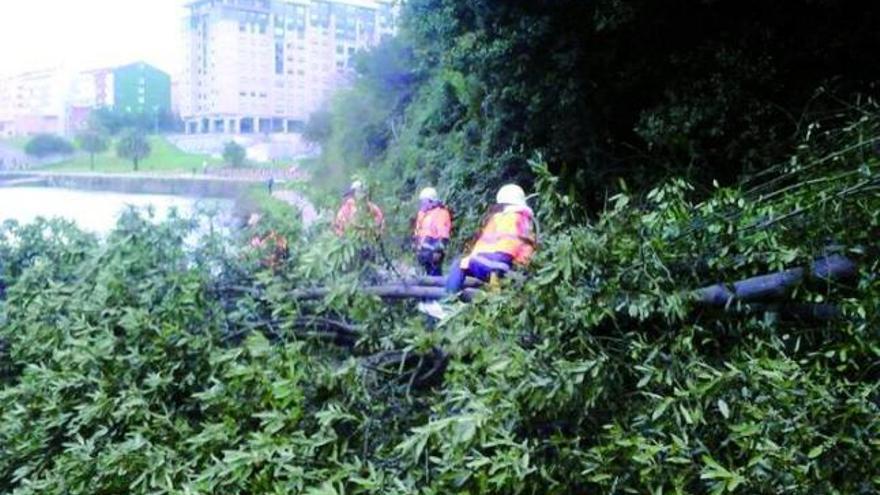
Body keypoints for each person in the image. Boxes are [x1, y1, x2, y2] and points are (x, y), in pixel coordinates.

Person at [445, 184, 537, 294]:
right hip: (516, 265)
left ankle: (449, 297)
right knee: (465, 262)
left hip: (502, 265)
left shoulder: (510, 217)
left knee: (460, 263)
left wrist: (497, 271)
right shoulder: (525, 219)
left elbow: (508, 245)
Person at [413, 187, 453, 276]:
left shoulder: (441, 213)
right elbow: (418, 232)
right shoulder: (422, 214)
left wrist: (438, 251)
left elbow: (443, 234)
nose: (422, 204)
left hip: (434, 253)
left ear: (431, 201)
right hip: (424, 253)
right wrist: (416, 245)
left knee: (435, 277)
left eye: (424, 201)